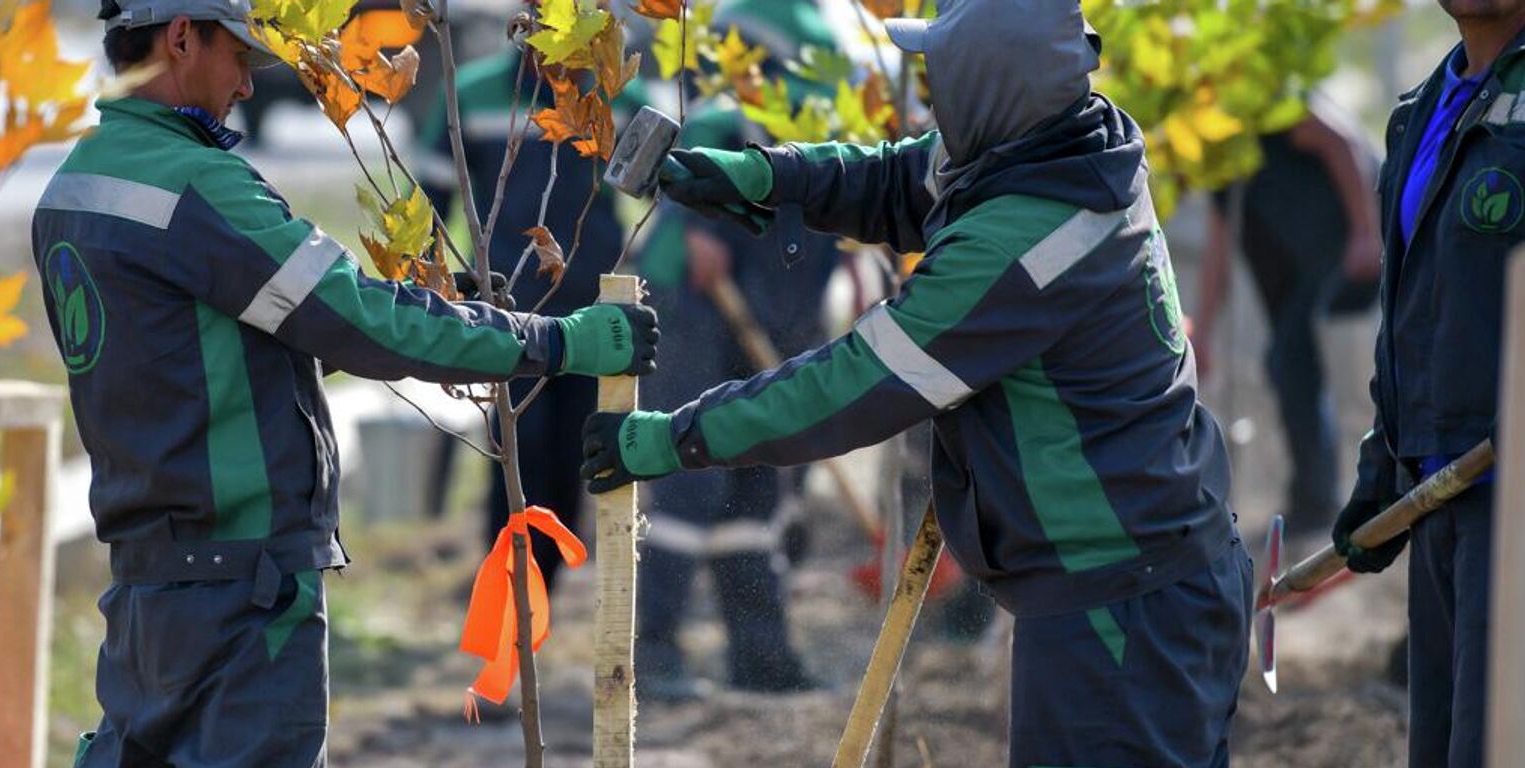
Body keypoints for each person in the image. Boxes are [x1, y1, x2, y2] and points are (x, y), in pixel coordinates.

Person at [582, 1, 1249, 764]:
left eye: (944, 75)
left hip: (1124, 608)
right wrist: (762, 177)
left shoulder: (1029, 247)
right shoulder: (1067, 145)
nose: (933, 91)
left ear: (987, 87)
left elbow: (857, 384)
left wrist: (679, 436)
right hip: (1150, 574)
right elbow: (902, 179)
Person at [40, 2, 658, 764]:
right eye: (237, 57)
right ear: (180, 37)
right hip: (244, 592)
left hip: (148, 587)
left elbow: (195, 347)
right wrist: (554, 340)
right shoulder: (195, 185)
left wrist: (448, 308)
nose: (243, 87)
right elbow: (355, 318)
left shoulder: (78, 181)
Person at [625, 0, 840, 703]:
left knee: (756, 481)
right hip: (692, 309)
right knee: (691, 478)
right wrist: (696, 226)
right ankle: (652, 649)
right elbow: (689, 175)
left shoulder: (838, 129)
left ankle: (760, 653)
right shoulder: (724, 121)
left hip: (773, 320)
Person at [1333, 1, 1525, 764]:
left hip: (1511, 498)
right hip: (1438, 481)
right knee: (1441, 745)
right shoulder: (1419, 113)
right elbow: (1408, 310)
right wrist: (1383, 464)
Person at [415, 26, 647, 588]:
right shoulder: (471, 93)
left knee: (574, 438)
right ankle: (510, 570)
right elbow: (431, 192)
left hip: (594, 308)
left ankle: (552, 570)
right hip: (507, 305)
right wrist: (434, 275)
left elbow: (658, 200)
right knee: (519, 437)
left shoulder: (620, 101)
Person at [1192, 96, 1382, 552]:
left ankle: (1320, 502)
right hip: (1299, 272)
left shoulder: (1268, 100)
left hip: (1336, 251)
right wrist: (1202, 332)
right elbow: (1220, 245)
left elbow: (1341, 143)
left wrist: (1365, 232)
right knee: (1287, 363)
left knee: (1288, 359)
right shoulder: (1216, 143)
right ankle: (1312, 498)